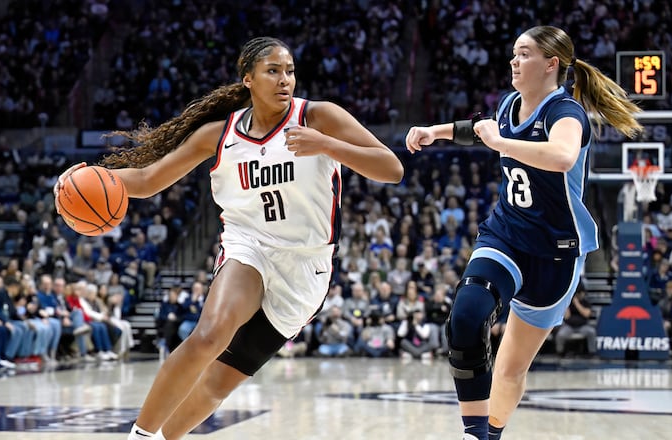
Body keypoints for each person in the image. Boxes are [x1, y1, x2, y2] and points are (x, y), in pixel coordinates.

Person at [54, 36, 403, 440]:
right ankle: (140, 437)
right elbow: (148, 180)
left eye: (290, 71)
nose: (285, 80)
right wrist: (85, 179)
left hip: (307, 267)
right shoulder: (218, 135)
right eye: (273, 71)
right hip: (248, 246)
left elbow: (391, 168)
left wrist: (326, 144)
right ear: (248, 79)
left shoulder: (318, 117)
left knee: (218, 384)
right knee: (209, 335)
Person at [405, 25, 641, 440]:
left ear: (551, 64)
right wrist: (434, 132)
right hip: (506, 236)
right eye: (514, 53)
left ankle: (491, 433)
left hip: (554, 253)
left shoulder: (565, 113)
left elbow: (562, 156)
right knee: (466, 318)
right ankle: (474, 434)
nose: (514, 61)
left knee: (511, 370)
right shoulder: (509, 104)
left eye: (524, 54)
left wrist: (501, 143)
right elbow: (479, 127)